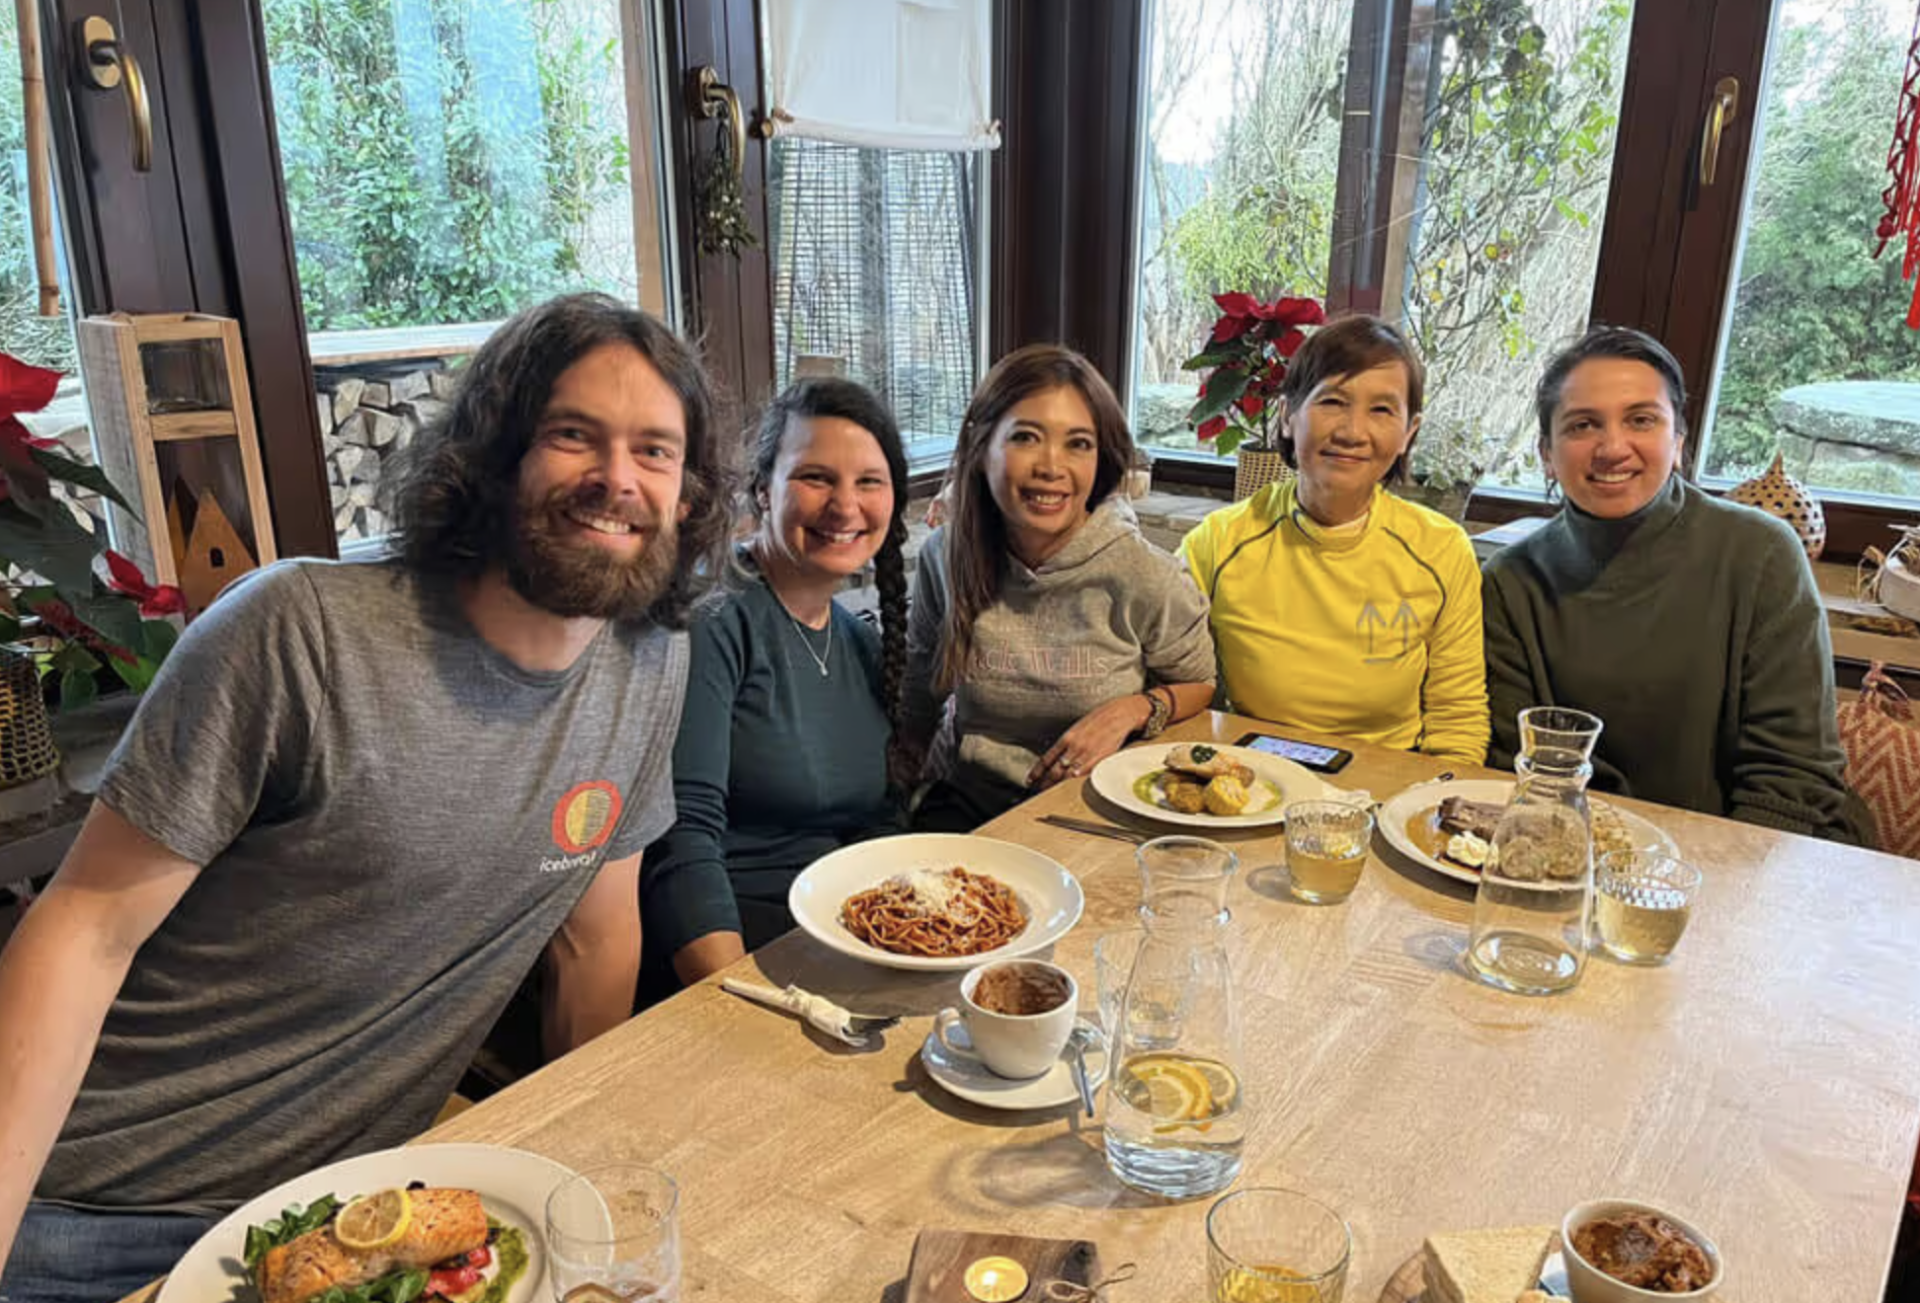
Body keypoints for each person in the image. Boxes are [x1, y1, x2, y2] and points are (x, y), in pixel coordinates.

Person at [0, 293, 735, 1302]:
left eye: (655, 450)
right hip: (88, 1212)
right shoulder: (298, 630)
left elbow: (593, 938)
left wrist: (577, 1179)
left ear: (690, 493)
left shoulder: (650, 658)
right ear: (493, 455)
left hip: (356, 1219)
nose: (618, 477)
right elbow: (83, 931)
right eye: (574, 434)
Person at [1482, 325, 1873, 843]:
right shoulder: (1511, 580)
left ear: (1679, 441)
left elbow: (1793, 777)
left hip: (1756, 851)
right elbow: (1522, 765)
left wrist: (1712, 879)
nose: (1612, 447)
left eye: (1641, 420)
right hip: (1580, 848)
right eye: (1582, 425)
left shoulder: (1760, 554)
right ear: (1547, 454)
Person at [641, 378, 908, 988]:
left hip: (844, 936)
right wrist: (736, 994)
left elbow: (879, 824)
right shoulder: (713, 617)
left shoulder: (860, 640)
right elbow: (680, 837)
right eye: (816, 477)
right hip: (739, 947)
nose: (845, 506)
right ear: (763, 489)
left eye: (869, 481)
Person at [904, 344, 1216, 828]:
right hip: (969, 808)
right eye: (1025, 437)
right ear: (981, 448)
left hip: (1097, 814)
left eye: (1079, 444)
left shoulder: (1143, 572)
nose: (1052, 467)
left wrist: (1134, 709)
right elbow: (919, 687)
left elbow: (1201, 684)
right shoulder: (944, 555)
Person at [1179, 314, 1489, 765]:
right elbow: (1172, 679)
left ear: (1409, 432)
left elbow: (1457, 718)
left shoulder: (1442, 550)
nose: (1351, 432)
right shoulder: (1218, 542)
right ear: (1287, 416)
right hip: (1253, 776)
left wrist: (1436, 799)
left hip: (1386, 782)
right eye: (1332, 401)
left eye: (1381, 410)